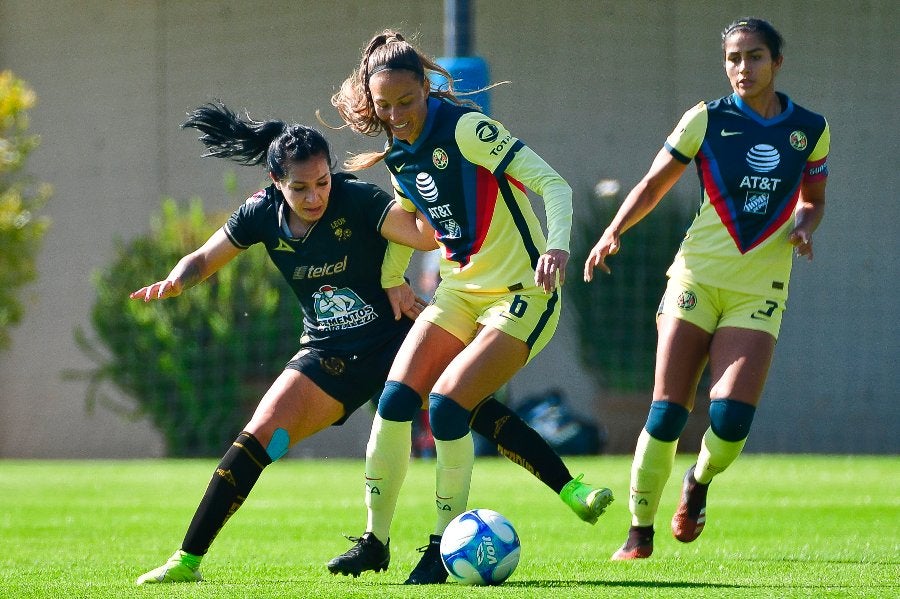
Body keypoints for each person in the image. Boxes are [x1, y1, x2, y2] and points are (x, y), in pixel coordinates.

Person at [132, 102, 610, 585]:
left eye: (322, 182)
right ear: (275, 183)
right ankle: (187, 561)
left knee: (466, 406)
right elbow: (205, 257)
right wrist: (175, 281)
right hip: (327, 354)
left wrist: (442, 195)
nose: (315, 196)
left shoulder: (357, 198)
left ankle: (568, 488)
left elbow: (421, 235)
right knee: (261, 435)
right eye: (300, 188)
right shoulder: (258, 215)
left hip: (391, 337)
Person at [325, 30, 613, 585]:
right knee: (394, 400)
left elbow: (552, 184)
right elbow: (409, 223)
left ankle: (440, 546)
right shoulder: (399, 152)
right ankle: (375, 541)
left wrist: (557, 246)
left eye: (406, 103)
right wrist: (392, 281)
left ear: (428, 89)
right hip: (458, 291)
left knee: (450, 406)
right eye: (384, 107)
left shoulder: (466, 128)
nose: (397, 116)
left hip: (523, 293)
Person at [583, 17, 829, 560]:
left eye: (756, 56)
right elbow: (652, 185)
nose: (744, 68)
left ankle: (698, 481)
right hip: (696, 276)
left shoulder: (810, 129)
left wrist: (806, 226)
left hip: (759, 288)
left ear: (777, 62)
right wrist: (612, 232)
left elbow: (813, 197)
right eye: (734, 58)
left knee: (729, 420)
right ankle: (639, 530)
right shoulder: (705, 119)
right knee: (668, 410)